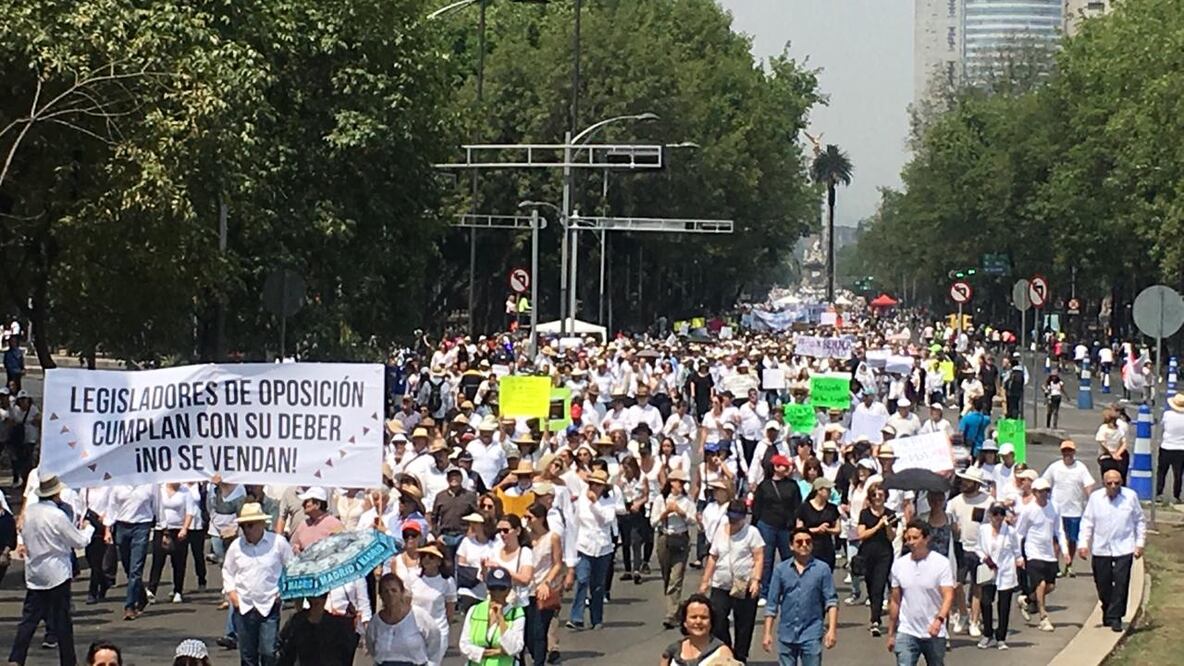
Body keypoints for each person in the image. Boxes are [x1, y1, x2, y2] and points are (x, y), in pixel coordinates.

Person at [8, 475, 95, 666]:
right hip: (57, 571)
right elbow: (78, 541)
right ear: (56, 493)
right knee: (62, 620)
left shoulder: (30, 512)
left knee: (29, 619)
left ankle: (16, 657)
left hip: (35, 572)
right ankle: (68, 661)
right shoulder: (57, 515)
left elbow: (22, 532)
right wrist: (88, 529)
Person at [222, 502, 294, 666]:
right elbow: (227, 571)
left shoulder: (278, 543)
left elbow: (291, 568)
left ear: (262, 524)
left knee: (269, 652)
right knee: (248, 655)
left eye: (250, 525)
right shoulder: (236, 546)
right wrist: (232, 593)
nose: (246, 529)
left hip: (269, 604)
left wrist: (282, 593)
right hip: (245, 605)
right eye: (243, 526)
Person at [1078, 469, 1147, 632]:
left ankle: (1116, 616)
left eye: (1117, 483)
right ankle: (1108, 608)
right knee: (1103, 584)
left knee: (1121, 583)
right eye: (1110, 483)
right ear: (1104, 484)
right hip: (1101, 549)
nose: (1114, 486)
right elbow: (1087, 522)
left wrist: (1139, 544)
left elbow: (1140, 521)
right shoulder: (1096, 498)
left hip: (1124, 547)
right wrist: (1083, 544)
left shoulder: (1130, 497)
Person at [699, 499, 765, 664]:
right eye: (731, 518)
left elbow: (758, 557)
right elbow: (713, 557)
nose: (733, 522)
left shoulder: (752, 533)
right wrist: (705, 580)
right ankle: (726, 649)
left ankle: (741, 655)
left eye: (737, 519)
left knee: (744, 622)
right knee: (718, 617)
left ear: (744, 517)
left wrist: (756, 579)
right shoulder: (720, 531)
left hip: (744, 583)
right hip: (721, 583)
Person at [761, 527, 839, 666]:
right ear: (791, 546)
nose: (804, 545)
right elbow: (772, 604)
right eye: (799, 542)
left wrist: (832, 630)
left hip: (812, 632)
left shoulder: (822, 569)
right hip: (787, 633)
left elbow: (831, 601)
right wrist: (767, 633)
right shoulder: (781, 570)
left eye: (808, 542)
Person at [886, 520, 955, 666]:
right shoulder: (899, 565)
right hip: (907, 630)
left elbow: (948, 595)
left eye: (915, 538)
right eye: (908, 538)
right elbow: (895, 600)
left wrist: (939, 620)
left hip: (934, 632)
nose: (911, 542)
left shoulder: (941, 563)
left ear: (926, 538)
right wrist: (892, 633)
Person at [566, 468, 616, 631]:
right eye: (592, 484)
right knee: (582, 580)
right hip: (584, 544)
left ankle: (597, 618)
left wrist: (595, 503)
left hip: (602, 547)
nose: (594, 487)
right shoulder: (582, 498)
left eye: (598, 485)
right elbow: (575, 521)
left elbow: (606, 520)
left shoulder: (608, 501)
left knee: (598, 585)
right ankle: (576, 617)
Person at [1015, 478, 1067, 632]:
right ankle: (1043, 617)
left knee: (1050, 586)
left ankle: (1027, 599)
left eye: (1046, 491)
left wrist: (1065, 551)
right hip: (1033, 552)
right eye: (1040, 491)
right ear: (1034, 492)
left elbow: (1059, 530)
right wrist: (1019, 556)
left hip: (1049, 553)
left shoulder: (1054, 507)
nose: (1044, 494)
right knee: (1041, 584)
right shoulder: (1028, 510)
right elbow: (1019, 533)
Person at [751, 454, 802, 603]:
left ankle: (789, 589)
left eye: (787, 466)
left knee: (789, 559)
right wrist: (754, 528)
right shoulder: (764, 486)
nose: (787, 469)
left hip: (786, 527)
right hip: (766, 525)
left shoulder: (793, 485)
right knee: (766, 560)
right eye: (783, 466)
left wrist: (795, 524)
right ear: (775, 467)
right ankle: (764, 592)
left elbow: (797, 506)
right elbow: (757, 507)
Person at [947, 467, 991, 637]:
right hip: (960, 547)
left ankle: (974, 620)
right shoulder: (955, 502)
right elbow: (948, 520)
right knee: (957, 584)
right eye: (963, 481)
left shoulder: (988, 501)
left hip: (980, 548)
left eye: (968, 481)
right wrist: (953, 528)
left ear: (976, 484)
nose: (964, 484)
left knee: (978, 585)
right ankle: (963, 614)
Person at [1041, 440, 1095, 577]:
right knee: (1056, 539)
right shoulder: (1054, 467)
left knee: (1072, 540)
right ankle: (1055, 566)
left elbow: (1088, 484)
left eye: (1069, 451)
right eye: (1065, 451)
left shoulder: (1081, 468)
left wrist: (1091, 499)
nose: (1067, 454)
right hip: (1057, 509)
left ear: (1074, 452)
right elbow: (1045, 483)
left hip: (1075, 510)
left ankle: (1069, 565)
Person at [366, 572, 442, 666]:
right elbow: (371, 646)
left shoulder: (419, 615)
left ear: (402, 592)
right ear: (381, 595)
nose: (390, 594)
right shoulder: (376, 621)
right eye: (386, 591)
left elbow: (434, 640)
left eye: (394, 590)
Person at [103, 483, 156, 620]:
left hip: (142, 525)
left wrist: (163, 526)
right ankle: (142, 597)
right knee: (127, 566)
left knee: (135, 568)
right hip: (122, 526)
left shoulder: (150, 484)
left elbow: (157, 505)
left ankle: (129, 606)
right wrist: (107, 530)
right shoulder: (117, 484)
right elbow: (111, 508)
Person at [651, 468, 696, 629]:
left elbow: (693, 521)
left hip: (681, 538)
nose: (681, 485)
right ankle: (674, 606)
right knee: (667, 576)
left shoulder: (687, 500)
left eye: (683, 483)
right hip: (665, 538)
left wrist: (681, 512)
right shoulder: (660, 499)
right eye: (679, 482)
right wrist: (666, 513)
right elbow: (653, 522)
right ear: (671, 483)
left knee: (676, 578)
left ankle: (671, 613)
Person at [974, 503, 1021, 650]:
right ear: (990, 515)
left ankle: (1001, 637)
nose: (998, 517)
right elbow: (978, 548)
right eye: (995, 513)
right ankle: (987, 633)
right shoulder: (983, 529)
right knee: (986, 602)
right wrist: (985, 559)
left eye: (1001, 513)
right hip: (989, 570)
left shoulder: (1010, 531)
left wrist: (1019, 560)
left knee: (1004, 604)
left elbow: (1016, 549)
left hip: (1005, 570)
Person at [459, 567, 526, 666]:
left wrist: (501, 619)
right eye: (493, 588)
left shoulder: (516, 614)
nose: (497, 593)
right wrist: (490, 652)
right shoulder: (474, 610)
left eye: (502, 588)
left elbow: (513, 648)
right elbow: (464, 645)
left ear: (509, 590)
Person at [856, 483, 897, 637]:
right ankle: (874, 613)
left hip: (884, 554)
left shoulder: (890, 513)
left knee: (879, 586)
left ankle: (875, 620)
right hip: (867, 553)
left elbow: (892, 537)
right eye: (874, 495)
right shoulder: (865, 513)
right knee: (870, 585)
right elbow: (861, 534)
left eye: (881, 495)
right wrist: (878, 525)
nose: (878, 498)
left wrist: (886, 526)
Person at [524, 502, 561, 666]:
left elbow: (557, 563)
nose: (527, 521)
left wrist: (547, 582)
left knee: (539, 631)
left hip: (543, 589)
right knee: (527, 634)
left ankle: (539, 662)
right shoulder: (525, 538)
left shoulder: (552, 537)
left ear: (541, 518)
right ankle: (536, 656)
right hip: (525, 589)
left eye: (530, 517)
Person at [275, 592, 358, 666]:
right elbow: (286, 652)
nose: (316, 600)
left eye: (322, 596)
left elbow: (345, 654)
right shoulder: (297, 621)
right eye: (313, 596)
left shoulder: (338, 624)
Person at [148, 482, 196, 604]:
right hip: (161, 529)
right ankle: (152, 590)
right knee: (158, 560)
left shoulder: (185, 491)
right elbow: (154, 507)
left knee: (178, 562)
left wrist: (185, 528)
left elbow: (189, 512)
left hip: (178, 529)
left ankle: (178, 591)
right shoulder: (160, 489)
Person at [659, 593, 734, 666]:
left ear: (711, 622)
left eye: (704, 617)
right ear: (685, 622)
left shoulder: (722, 653)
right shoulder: (672, 651)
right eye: (693, 617)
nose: (698, 621)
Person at [796, 477, 841, 572]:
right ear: (819, 490)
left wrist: (828, 530)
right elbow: (799, 529)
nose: (830, 492)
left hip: (827, 548)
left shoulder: (832, 508)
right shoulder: (804, 507)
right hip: (809, 547)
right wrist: (816, 529)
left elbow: (838, 529)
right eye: (827, 490)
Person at [1157, 393, 1184, 504]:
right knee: (1178, 474)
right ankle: (1176, 495)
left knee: (1162, 472)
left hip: (1167, 446)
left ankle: (1159, 493)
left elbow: (1162, 426)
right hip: (1181, 447)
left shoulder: (1167, 415)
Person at [1095, 407, 1129, 482]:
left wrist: (1112, 454)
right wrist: (1117, 454)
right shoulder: (1119, 429)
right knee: (1118, 479)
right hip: (1118, 458)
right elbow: (1124, 443)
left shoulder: (1103, 428)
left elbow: (1102, 443)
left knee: (1107, 480)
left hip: (1106, 457)